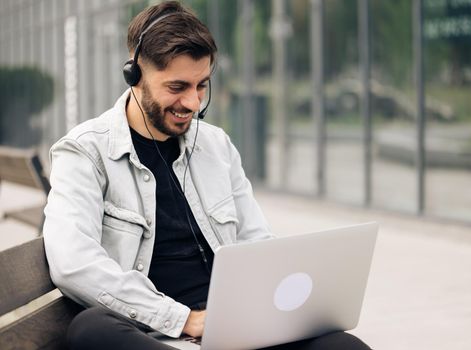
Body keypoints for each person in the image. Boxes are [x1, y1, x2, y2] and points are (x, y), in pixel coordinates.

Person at [43, 2, 371, 349]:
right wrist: (183, 319)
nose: (193, 102)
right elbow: (73, 262)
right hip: (156, 333)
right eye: (177, 87)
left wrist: (279, 311)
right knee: (91, 328)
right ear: (135, 74)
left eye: (202, 85)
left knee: (344, 345)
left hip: (235, 329)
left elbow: (256, 241)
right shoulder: (84, 152)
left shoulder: (216, 145)